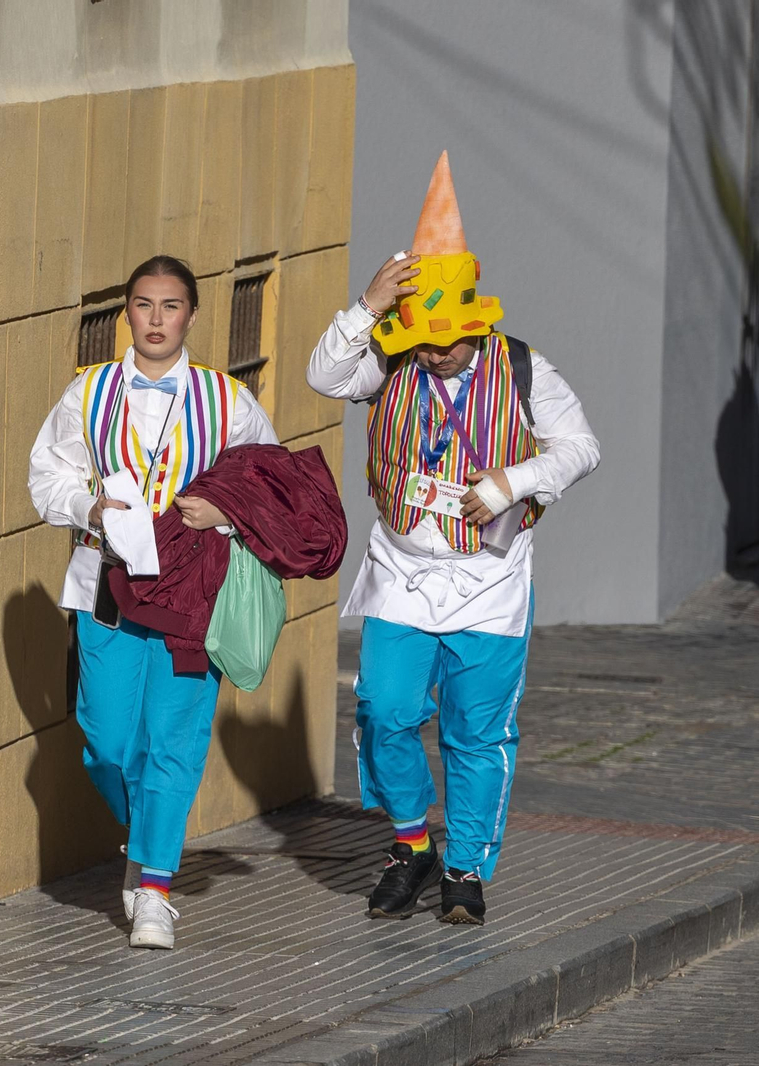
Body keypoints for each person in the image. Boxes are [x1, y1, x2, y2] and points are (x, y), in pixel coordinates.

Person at [305, 152, 600, 925]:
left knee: (477, 733)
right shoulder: (390, 356)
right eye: (421, 338)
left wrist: (511, 483)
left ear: (474, 325)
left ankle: (465, 868)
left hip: (490, 578)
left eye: (445, 340)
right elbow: (325, 377)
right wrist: (366, 308)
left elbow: (580, 448)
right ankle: (412, 842)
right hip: (404, 570)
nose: (433, 352)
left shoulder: (528, 369)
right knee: (383, 710)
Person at [28, 255, 279, 949]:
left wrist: (219, 514)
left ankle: (155, 891)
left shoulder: (229, 401)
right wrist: (87, 504)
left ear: (191, 314)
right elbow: (45, 471)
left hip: (193, 595)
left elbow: (268, 483)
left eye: (171, 306)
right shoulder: (90, 392)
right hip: (106, 587)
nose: (158, 319)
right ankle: (146, 839)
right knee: (107, 741)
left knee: (174, 740)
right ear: (127, 314)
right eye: (144, 305)